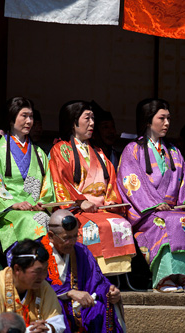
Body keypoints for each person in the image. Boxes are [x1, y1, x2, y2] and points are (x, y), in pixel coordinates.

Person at [117, 98, 185, 293]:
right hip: (147, 212)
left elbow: (183, 183)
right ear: (148, 121)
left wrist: (184, 204)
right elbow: (131, 183)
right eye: (162, 118)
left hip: (171, 209)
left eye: (169, 119)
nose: (167, 123)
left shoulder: (174, 151)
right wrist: (154, 204)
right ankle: (164, 278)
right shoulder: (133, 150)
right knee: (164, 223)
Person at [48, 100, 135, 276]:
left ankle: (112, 274)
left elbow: (111, 182)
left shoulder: (99, 152)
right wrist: (80, 202)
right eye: (87, 118)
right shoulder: (61, 150)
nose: (92, 123)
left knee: (120, 222)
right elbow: (60, 182)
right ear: (73, 122)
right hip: (78, 208)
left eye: (93, 118)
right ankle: (90, 272)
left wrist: (110, 202)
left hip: (101, 208)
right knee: (94, 226)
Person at [0, 97, 55, 265]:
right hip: (9, 211)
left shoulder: (39, 154)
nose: (29, 121)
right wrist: (14, 204)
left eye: (31, 116)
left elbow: (47, 186)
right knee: (31, 220)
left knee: (48, 220)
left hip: (36, 209)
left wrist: (43, 203)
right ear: (11, 118)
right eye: (24, 116)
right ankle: (25, 269)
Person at [43, 210, 124, 332]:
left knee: (100, 308)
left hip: (80, 308)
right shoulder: (37, 253)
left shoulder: (81, 251)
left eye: (75, 236)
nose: (72, 242)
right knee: (57, 310)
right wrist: (68, 293)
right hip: (51, 305)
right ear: (51, 236)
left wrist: (110, 291)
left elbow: (97, 281)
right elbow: (34, 286)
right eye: (66, 238)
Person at [0, 239, 65, 333]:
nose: (43, 276)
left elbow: (57, 321)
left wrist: (47, 328)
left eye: (44, 271)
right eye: (37, 271)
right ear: (17, 269)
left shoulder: (43, 287)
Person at [90, 100, 121, 171]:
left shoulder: (120, 158)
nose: (112, 131)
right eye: (105, 127)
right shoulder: (88, 158)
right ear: (94, 133)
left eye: (113, 126)